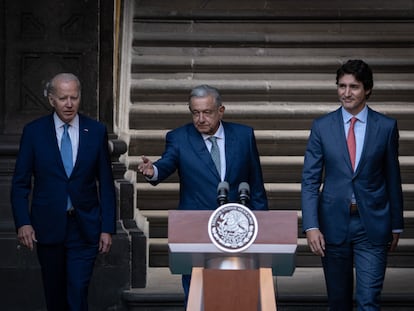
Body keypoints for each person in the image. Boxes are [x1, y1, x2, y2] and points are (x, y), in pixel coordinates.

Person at [138, 84, 268, 305]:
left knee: (238, 296)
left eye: (206, 112)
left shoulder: (244, 135)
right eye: (195, 112)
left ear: (221, 110)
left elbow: (255, 183)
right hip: (195, 231)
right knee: (198, 298)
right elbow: (166, 163)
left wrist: (264, 226)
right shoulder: (178, 138)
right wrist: (154, 171)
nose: (200, 118)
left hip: (238, 231)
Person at [301, 59, 404, 310]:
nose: (346, 93)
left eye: (354, 87)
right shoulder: (322, 127)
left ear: (367, 89)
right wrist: (311, 225)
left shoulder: (386, 127)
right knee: (338, 302)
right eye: (342, 86)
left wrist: (396, 224)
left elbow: (393, 177)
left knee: (369, 301)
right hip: (333, 224)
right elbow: (310, 179)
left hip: (373, 223)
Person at [11, 73, 117, 311]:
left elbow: (107, 184)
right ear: (51, 100)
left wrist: (107, 227)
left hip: (85, 227)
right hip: (48, 227)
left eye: (74, 97)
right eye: (63, 98)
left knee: (77, 292)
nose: (69, 104)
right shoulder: (34, 132)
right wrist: (23, 223)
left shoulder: (96, 131)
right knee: (55, 294)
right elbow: (20, 183)